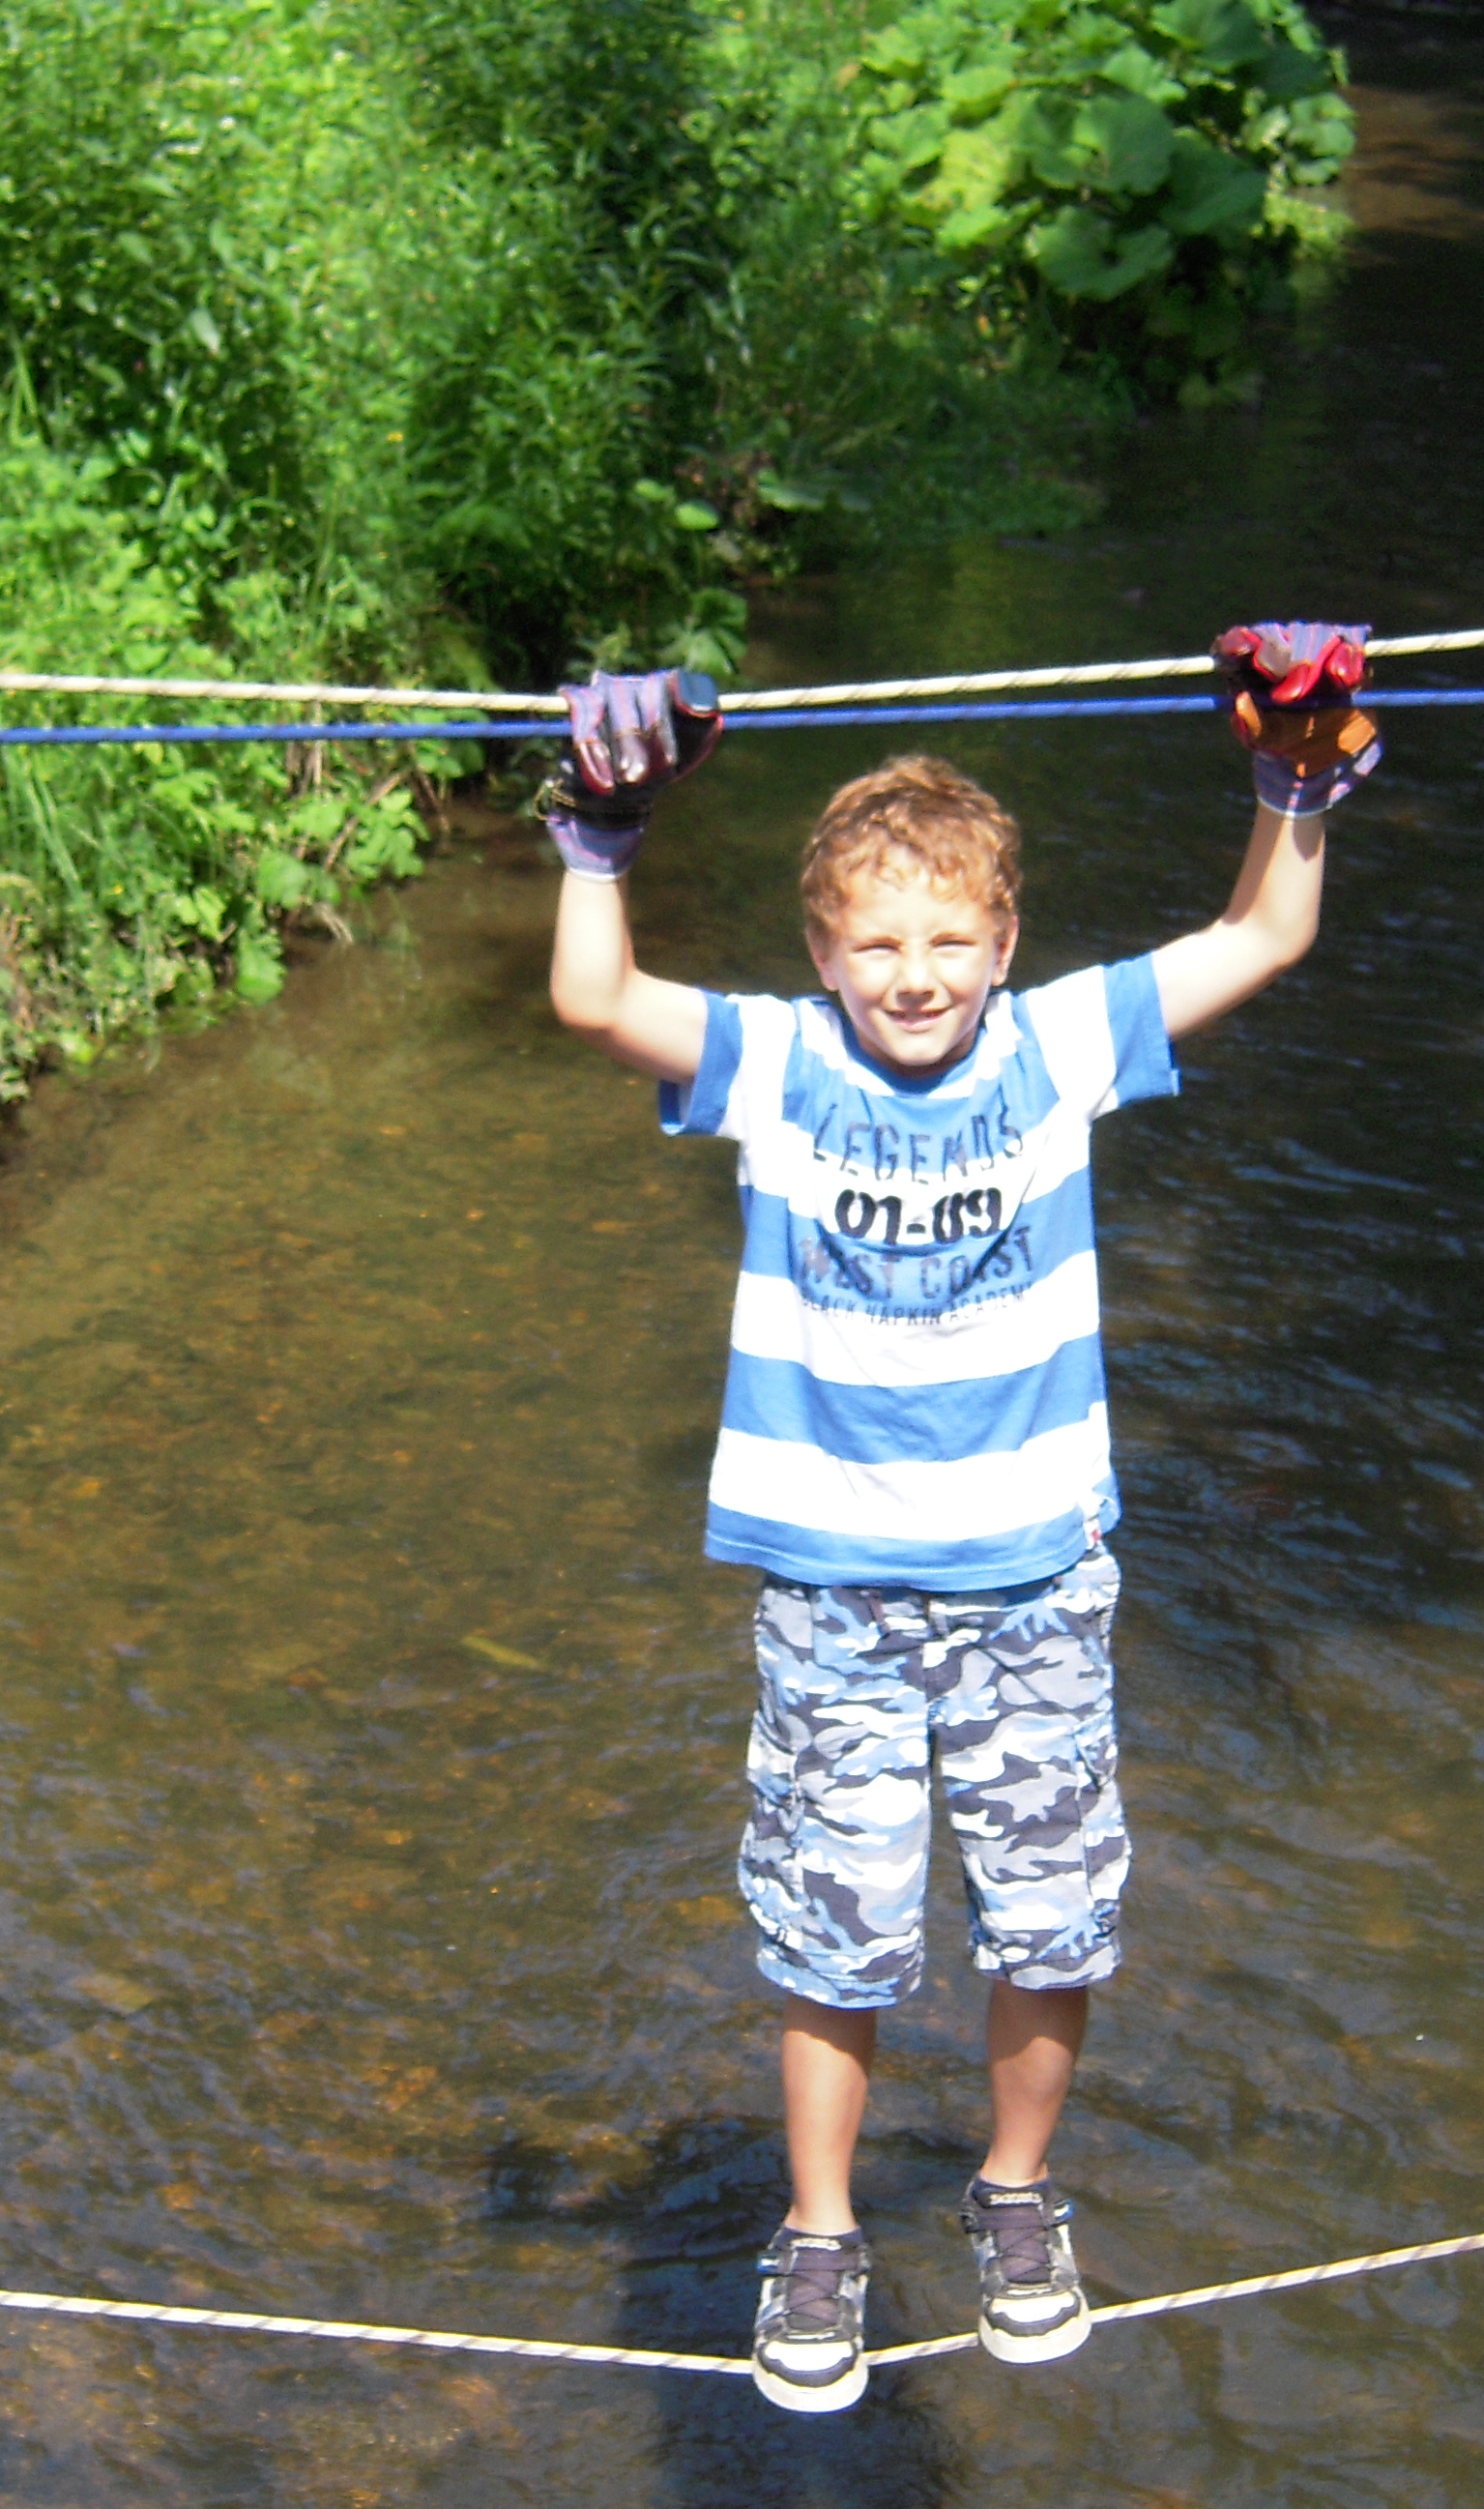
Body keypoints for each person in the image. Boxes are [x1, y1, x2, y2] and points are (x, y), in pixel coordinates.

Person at [538, 626, 1381, 2412]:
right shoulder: (776, 1065)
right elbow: (595, 1004)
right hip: (833, 1597)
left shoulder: (1060, 1045)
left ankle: (1014, 2196)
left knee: (1051, 1922)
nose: (913, 978)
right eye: (876, 946)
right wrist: (599, 846)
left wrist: (1292, 786)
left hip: (1035, 1586)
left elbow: (1265, 937)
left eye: (946, 944)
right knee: (829, 1937)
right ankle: (820, 2233)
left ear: (1004, 945)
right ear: (821, 956)